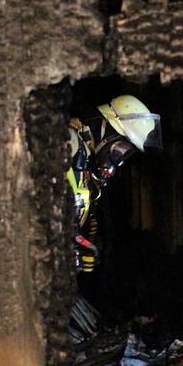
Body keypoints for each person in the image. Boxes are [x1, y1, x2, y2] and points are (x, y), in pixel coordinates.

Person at [67, 94, 162, 273]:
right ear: (106, 130)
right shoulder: (68, 144)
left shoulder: (86, 168)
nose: (120, 160)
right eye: (122, 148)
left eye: (126, 154)